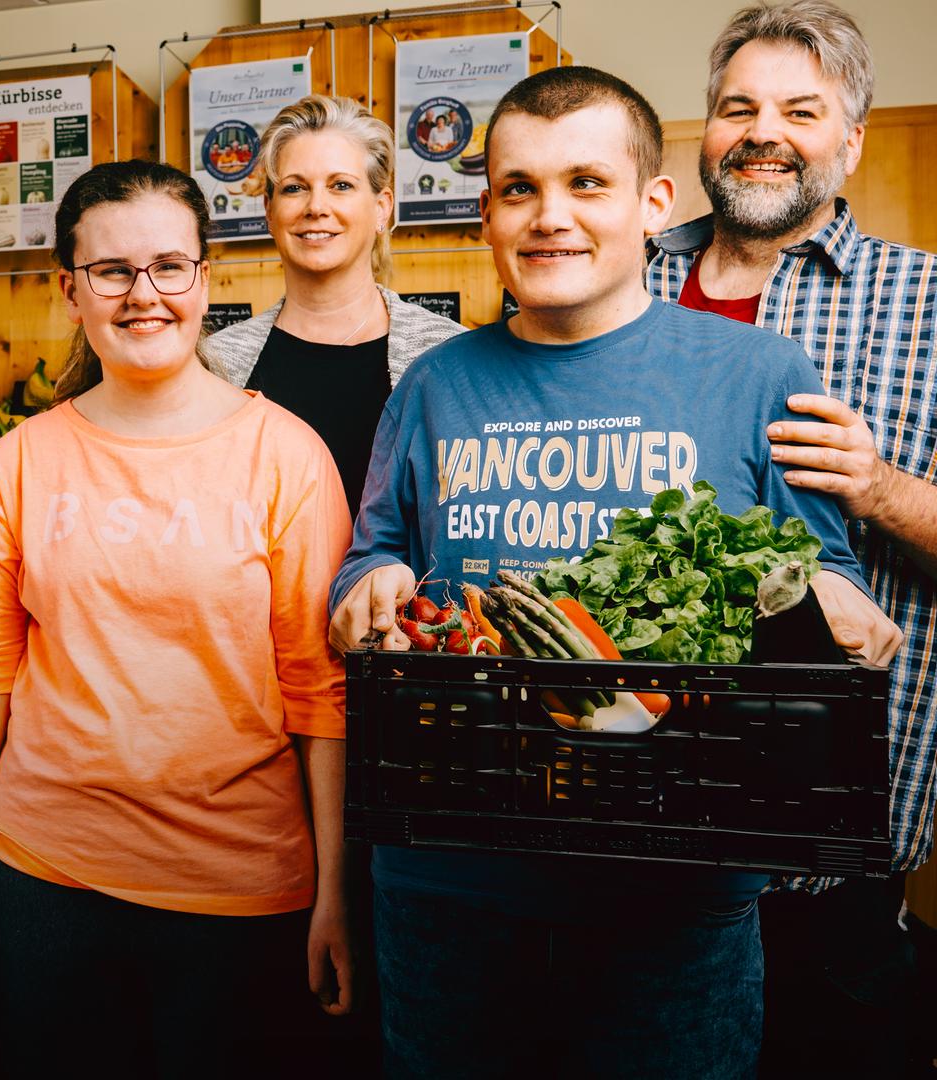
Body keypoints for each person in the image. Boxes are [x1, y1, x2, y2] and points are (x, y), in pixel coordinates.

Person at [327, 65, 899, 1078]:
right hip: (447, 895)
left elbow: (826, 582)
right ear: (487, 211)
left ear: (654, 202)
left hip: (676, 909)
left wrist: (833, 612)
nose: (550, 217)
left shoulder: (762, 375)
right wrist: (360, 598)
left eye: (587, 183)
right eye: (519, 188)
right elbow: (375, 557)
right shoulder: (431, 384)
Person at [0, 160, 354, 1076]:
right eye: (111, 271)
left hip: (239, 887)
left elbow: (322, 695)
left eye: (168, 267)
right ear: (70, 290)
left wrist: (337, 892)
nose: (142, 294)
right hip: (41, 877)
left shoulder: (288, 457)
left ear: (206, 279)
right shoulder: (20, 462)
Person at [643, 2, 935, 1072]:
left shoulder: (927, 301)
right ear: (704, 130)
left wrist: (881, 489)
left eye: (801, 111)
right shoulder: (616, 273)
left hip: (826, 845)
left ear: (851, 138)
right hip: (623, 816)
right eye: (739, 108)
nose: (764, 131)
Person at [204, 95, 463, 516]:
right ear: (269, 211)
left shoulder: (447, 354)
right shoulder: (217, 365)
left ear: (382, 208)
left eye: (341, 185)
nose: (316, 207)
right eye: (294, 188)